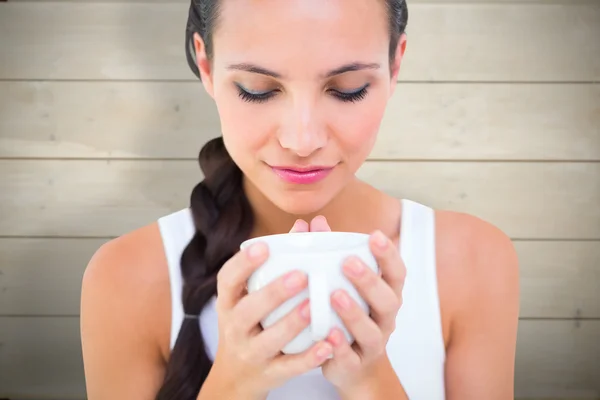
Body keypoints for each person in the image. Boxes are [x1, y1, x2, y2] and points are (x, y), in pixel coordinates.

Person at [80, 0, 520, 399]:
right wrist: (234, 382)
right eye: (257, 88)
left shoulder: (471, 260)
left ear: (395, 65)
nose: (302, 139)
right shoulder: (127, 277)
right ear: (206, 64)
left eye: (348, 89)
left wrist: (371, 381)